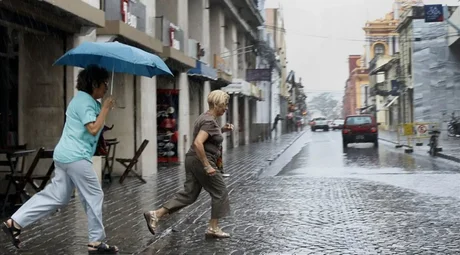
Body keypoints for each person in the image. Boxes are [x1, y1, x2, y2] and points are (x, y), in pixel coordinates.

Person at [1, 65, 119, 254]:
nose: (107, 87)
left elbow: (93, 128)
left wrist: (103, 108)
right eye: (105, 83)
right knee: (94, 195)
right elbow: (93, 129)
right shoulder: (84, 101)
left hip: (66, 156)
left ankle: (14, 222)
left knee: (58, 196)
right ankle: (95, 243)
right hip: (76, 156)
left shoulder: (85, 101)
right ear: (95, 83)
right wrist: (105, 108)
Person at [144, 90, 233, 238]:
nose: (226, 108)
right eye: (225, 105)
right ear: (218, 104)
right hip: (201, 160)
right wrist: (207, 165)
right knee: (220, 192)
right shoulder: (209, 121)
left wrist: (222, 130)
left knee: (189, 194)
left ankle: (156, 214)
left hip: (192, 159)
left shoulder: (204, 118)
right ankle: (213, 228)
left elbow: (206, 137)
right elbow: (198, 143)